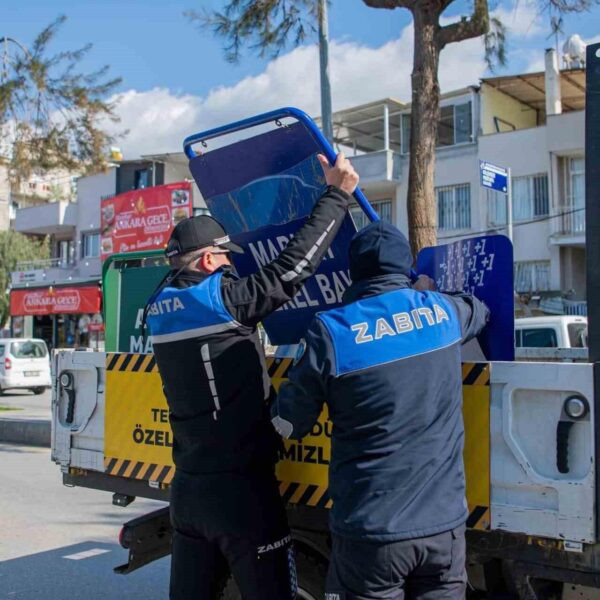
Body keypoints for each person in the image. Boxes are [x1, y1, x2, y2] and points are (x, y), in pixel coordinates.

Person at [145, 153, 359, 599]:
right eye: (225, 256)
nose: (231, 265)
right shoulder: (221, 301)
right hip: (241, 492)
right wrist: (337, 195)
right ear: (206, 261)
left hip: (187, 491)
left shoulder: (158, 311)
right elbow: (291, 270)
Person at [271, 221, 489, 600]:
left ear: (354, 272)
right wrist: (427, 292)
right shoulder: (443, 314)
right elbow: (480, 310)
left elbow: (290, 423)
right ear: (405, 268)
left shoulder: (332, 331)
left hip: (371, 532)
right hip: (444, 528)